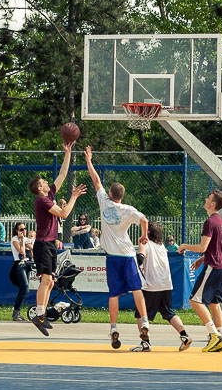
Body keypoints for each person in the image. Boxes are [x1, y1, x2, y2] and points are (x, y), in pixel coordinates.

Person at [84, 145, 151, 351]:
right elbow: (144, 219)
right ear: (121, 195)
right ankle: (145, 322)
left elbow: (96, 180)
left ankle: (113, 327)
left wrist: (89, 160)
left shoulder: (104, 202)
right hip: (128, 254)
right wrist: (144, 235)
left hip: (111, 256)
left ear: (110, 193)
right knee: (136, 288)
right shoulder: (128, 210)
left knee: (114, 294)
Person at [29, 142, 87, 336]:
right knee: (46, 279)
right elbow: (63, 213)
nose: (47, 183)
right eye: (44, 182)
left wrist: (67, 153)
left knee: (51, 282)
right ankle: (39, 315)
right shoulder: (42, 200)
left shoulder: (50, 195)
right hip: (43, 244)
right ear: (39, 188)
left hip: (50, 244)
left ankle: (41, 314)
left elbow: (62, 174)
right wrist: (74, 197)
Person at [178, 189, 222, 353]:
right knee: (214, 303)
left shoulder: (210, 222)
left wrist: (185, 246)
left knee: (194, 300)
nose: (206, 199)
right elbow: (217, 247)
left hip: (213, 266)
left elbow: (202, 247)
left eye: (208, 198)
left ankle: (214, 336)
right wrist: (203, 259)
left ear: (212, 204)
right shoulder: (221, 222)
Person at [137, 221, 192, 351]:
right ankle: (184, 335)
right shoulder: (162, 247)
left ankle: (145, 343)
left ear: (148, 232)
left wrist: (130, 261)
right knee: (168, 312)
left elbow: (140, 258)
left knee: (140, 314)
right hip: (166, 284)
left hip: (152, 285)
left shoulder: (145, 243)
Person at [9, 222, 32, 321]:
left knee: (24, 290)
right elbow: (22, 252)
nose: (24, 231)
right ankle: (16, 312)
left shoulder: (26, 240)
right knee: (25, 288)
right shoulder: (15, 239)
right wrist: (22, 240)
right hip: (19, 265)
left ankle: (17, 312)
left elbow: (32, 247)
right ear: (17, 231)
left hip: (27, 265)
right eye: (21, 229)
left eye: (25, 229)